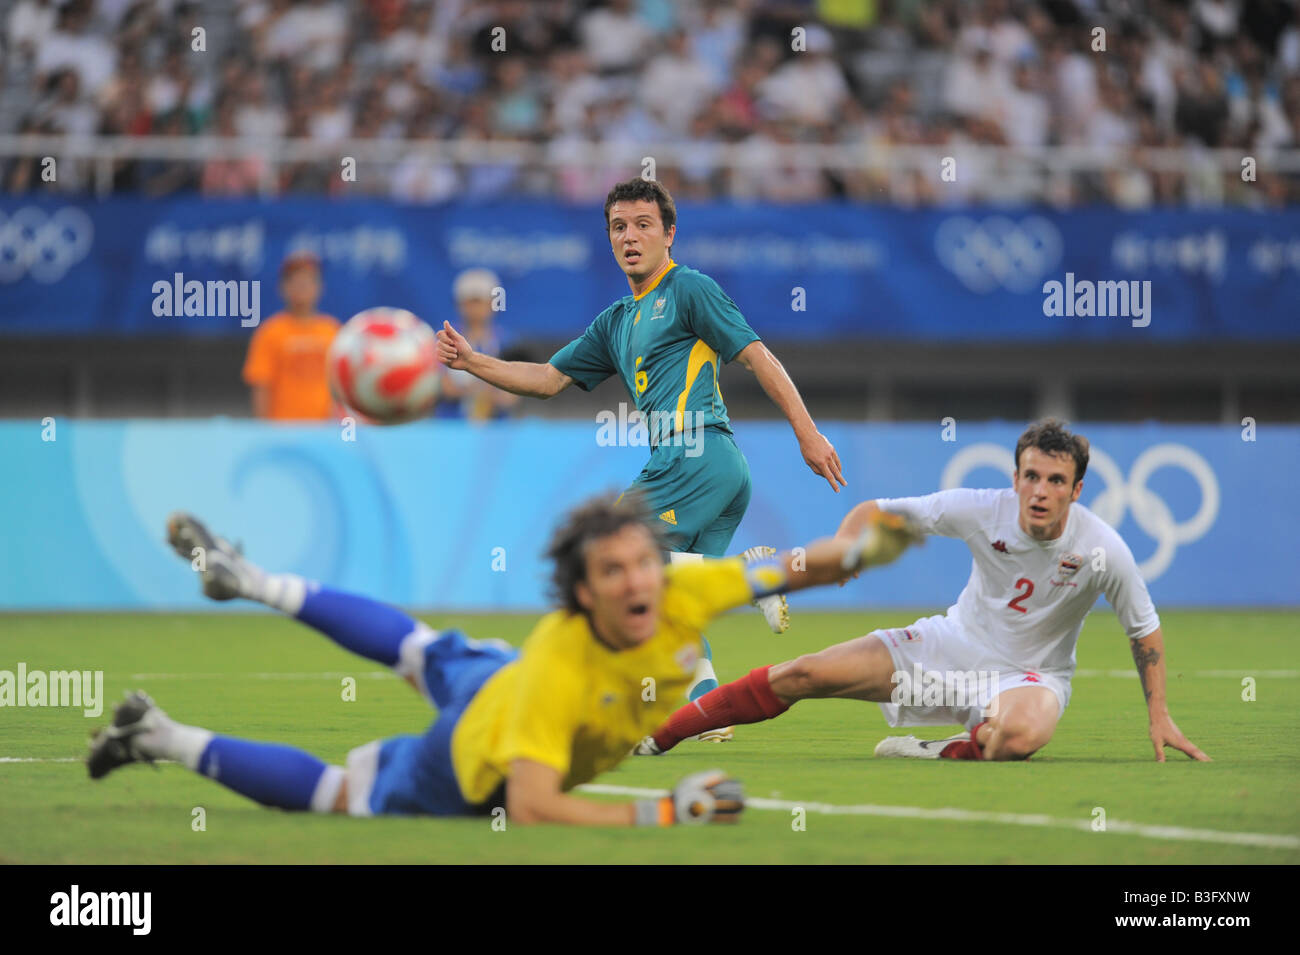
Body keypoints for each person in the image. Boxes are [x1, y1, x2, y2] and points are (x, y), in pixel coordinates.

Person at [86, 496, 920, 824]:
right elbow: (530, 803)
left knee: (421, 646)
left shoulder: (682, 586)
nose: (637, 580)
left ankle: (252, 576)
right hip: (473, 755)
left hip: (498, 673)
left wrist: (865, 549)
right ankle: (159, 735)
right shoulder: (564, 670)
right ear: (584, 594)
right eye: (613, 572)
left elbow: (801, 565)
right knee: (341, 794)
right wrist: (664, 814)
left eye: (641, 562)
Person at [435, 177, 844, 736]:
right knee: (668, 597)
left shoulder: (690, 289)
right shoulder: (615, 322)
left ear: (669, 234)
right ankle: (704, 709)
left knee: (610, 549)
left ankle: (751, 572)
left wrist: (808, 433)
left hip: (693, 454)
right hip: (711, 467)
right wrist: (471, 361)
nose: (630, 237)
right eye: (619, 227)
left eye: (643, 225)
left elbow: (758, 357)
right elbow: (548, 378)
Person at [637, 419, 1211, 764]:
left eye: (1055, 481)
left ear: (1076, 490)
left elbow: (1145, 630)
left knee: (1023, 734)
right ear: (1015, 478)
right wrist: (843, 552)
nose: (1039, 491)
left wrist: (1158, 715)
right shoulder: (979, 509)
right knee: (801, 674)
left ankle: (935, 748)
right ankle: (662, 735)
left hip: (1029, 677)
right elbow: (872, 511)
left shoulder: (1101, 547)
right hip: (943, 650)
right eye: (1030, 476)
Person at [242, 252, 339, 421]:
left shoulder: (332, 330)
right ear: (283, 288)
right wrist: (265, 429)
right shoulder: (270, 332)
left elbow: (343, 385)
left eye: (308, 281)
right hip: (283, 430)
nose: (301, 287)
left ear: (319, 287)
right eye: (295, 282)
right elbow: (261, 385)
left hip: (326, 430)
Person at [434, 268, 519, 421]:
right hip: (451, 428)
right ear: (459, 304)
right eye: (469, 302)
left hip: (496, 431)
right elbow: (443, 387)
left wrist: (475, 391)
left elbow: (511, 397)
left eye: (479, 302)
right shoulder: (445, 338)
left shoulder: (507, 341)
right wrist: (484, 391)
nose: (475, 309)